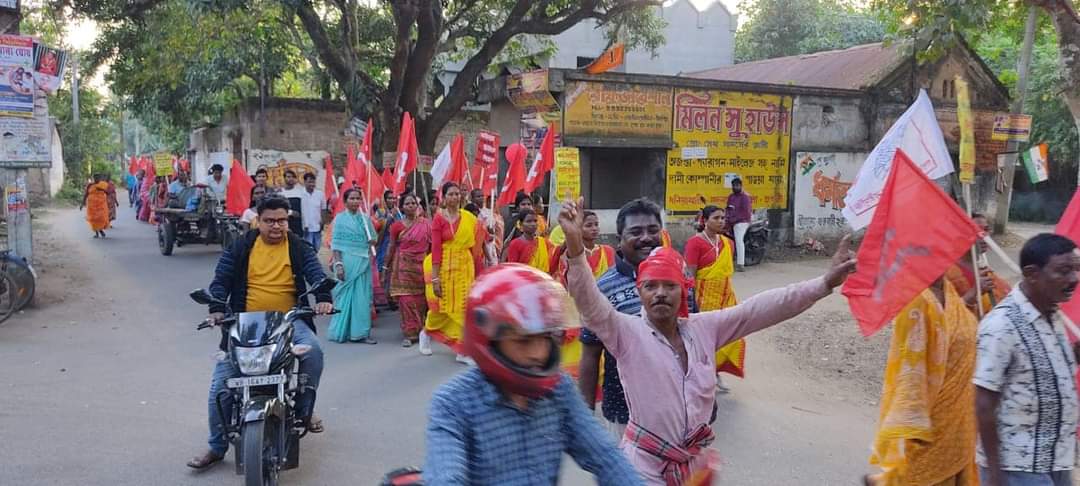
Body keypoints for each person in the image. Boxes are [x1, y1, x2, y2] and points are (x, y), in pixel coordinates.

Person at [559, 196, 855, 484]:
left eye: (669, 285)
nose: (660, 293)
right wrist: (575, 247)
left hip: (692, 466)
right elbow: (589, 302)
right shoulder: (626, 332)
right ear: (639, 292)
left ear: (684, 290)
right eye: (650, 286)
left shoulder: (704, 328)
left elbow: (763, 308)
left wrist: (824, 283)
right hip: (641, 467)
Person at [423, 264, 644, 486]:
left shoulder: (558, 389)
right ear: (488, 341)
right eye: (523, 341)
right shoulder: (453, 403)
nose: (538, 353)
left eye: (546, 338)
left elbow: (606, 456)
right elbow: (446, 476)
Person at [188, 196, 332, 470]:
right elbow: (221, 281)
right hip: (244, 323)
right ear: (258, 220)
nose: (276, 226)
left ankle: (304, 408)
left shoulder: (299, 246)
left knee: (314, 351)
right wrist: (218, 307)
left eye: (282, 220)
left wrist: (323, 297)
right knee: (221, 386)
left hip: (289, 320)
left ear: (288, 221)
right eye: (270, 221)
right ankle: (216, 447)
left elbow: (316, 273)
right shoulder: (241, 247)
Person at [975, 233, 1079, 486]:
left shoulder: (1051, 312)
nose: (1074, 279)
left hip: (1057, 459)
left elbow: (1045, 370)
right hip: (1017, 468)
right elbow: (984, 402)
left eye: (1076, 270)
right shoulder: (1001, 325)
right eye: (1064, 271)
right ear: (1032, 273)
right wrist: (996, 474)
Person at [864, 278, 979, 485]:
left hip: (960, 418)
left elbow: (957, 332)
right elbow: (911, 366)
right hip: (931, 423)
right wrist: (912, 419)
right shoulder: (916, 300)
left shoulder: (949, 290)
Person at [577, 199, 664, 440]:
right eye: (636, 232)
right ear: (619, 239)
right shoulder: (602, 288)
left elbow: (696, 341)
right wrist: (585, 418)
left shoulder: (681, 278)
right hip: (624, 412)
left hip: (676, 408)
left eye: (653, 230)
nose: (646, 237)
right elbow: (590, 354)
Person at [422, 182, 486, 363]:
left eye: (457, 194)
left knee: (464, 308)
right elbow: (435, 249)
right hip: (445, 268)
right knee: (441, 309)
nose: (455, 197)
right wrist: (435, 278)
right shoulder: (439, 219)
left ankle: (462, 351)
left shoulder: (469, 218)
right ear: (444, 197)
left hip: (465, 268)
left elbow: (479, 242)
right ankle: (426, 332)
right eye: (451, 194)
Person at [684, 205, 745, 383]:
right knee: (704, 337)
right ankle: (703, 373)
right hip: (703, 298)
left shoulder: (728, 243)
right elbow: (690, 275)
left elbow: (725, 272)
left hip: (726, 296)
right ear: (705, 220)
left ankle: (715, 369)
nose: (721, 221)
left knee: (732, 333)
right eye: (716, 218)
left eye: (723, 218)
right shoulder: (695, 243)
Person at [327, 188, 377, 344]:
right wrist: (339, 265)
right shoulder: (339, 220)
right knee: (344, 298)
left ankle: (360, 333)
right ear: (345, 201)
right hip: (346, 262)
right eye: (352, 198)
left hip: (362, 262)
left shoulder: (365, 219)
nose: (355, 201)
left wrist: (371, 240)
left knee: (362, 299)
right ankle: (341, 330)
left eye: (358, 199)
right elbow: (336, 245)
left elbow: (373, 239)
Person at [386, 193, 431, 347]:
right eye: (408, 204)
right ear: (402, 207)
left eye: (413, 203)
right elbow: (391, 246)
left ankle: (422, 329)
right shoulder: (397, 226)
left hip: (421, 266)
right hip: (403, 267)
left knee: (421, 299)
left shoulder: (426, 224)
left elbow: (431, 246)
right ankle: (409, 333)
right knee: (406, 300)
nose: (411, 206)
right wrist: (385, 266)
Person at [945, 213, 1010, 314]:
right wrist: (974, 292)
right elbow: (945, 314)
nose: (983, 236)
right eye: (976, 230)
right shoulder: (947, 272)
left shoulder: (982, 265)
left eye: (986, 229)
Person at [551, 210, 615, 286]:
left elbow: (613, 276)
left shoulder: (608, 251)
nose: (594, 228)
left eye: (596, 224)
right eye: (589, 225)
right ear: (578, 229)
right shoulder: (571, 254)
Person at [374, 190, 403, 308]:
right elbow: (377, 227)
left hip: (395, 245)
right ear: (385, 200)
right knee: (383, 270)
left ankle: (391, 297)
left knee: (394, 271)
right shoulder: (380, 212)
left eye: (393, 198)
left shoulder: (399, 212)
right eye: (389, 198)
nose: (392, 200)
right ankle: (380, 298)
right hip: (384, 244)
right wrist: (389, 218)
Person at [471, 188, 504, 267]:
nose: (481, 198)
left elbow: (494, 231)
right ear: (472, 199)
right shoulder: (471, 211)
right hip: (478, 245)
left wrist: (491, 231)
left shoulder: (489, 212)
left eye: (482, 196)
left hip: (490, 245)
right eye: (478, 196)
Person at [726, 177, 752, 272]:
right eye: (733, 185)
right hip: (731, 221)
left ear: (741, 186)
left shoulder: (745, 197)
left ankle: (741, 264)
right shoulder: (731, 197)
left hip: (742, 222)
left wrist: (733, 220)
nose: (735, 187)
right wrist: (726, 218)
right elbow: (728, 209)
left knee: (738, 240)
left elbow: (745, 213)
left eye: (737, 185)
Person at [299, 172, 327, 249]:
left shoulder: (320, 194)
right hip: (305, 227)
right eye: (309, 182)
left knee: (317, 247)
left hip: (317, 226)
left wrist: (322, 222)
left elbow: (323, 209)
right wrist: (304, 225)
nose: (312, 184)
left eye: (313, 182)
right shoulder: (300, 194)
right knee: (307, 248)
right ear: (304, 182)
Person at [81, 174, 110, 238]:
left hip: (101, 205)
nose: (97, 179)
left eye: (98, 178)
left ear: (100, 178)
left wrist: (101, 189)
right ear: (93, 178)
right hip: (92, 205)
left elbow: (108, 193)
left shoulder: (103, 185)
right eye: (95, 178)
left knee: (101, 218)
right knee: (93, 219)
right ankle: (97, 233)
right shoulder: (90, 185)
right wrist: (82, 203)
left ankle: (101, 230)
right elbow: (86, 194)